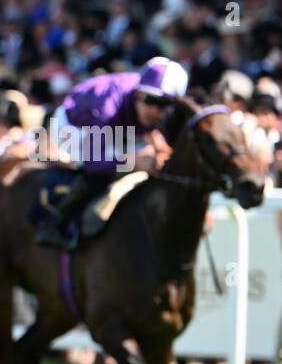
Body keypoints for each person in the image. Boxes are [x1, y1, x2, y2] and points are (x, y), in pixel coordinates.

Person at [35, 56, 188, 249]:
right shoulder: (108, 104)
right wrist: (133, 162)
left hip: (121, 128)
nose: (153, 110)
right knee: (97, 172)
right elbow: (93, 164)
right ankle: (55, 223)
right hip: (74, 127)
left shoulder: (149, 103)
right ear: (138, 93)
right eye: (148, 99)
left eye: (163, 104)